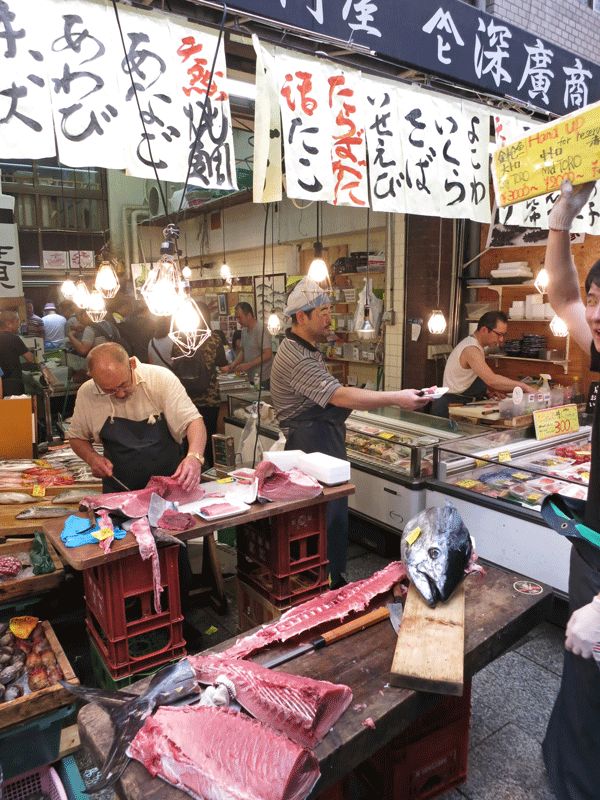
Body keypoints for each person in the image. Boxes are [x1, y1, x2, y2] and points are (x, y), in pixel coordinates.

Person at [270, 278, 430, 588]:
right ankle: (324, 586)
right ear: (301, 317)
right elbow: (340, 396)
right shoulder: (297, 356)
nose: (329, 317)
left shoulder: (305, 349)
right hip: (312, 449)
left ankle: (330, 579)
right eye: (323, 312)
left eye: (330, 310)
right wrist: (398, 397)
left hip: (321, 445)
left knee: (331, 517)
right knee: (324, 520)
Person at [538, 179, 600, 800]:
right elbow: (561, 294)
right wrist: (561, 219)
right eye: (599, 298)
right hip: (594, 549)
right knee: (580, 694)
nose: (597, 312)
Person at [67, 342, 206, 493]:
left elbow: (193, 421)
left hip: (170, 486)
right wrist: (91, 458)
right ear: (92, 376)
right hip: (120, 490)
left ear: (132, 363)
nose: (119, 394)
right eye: (109, 390)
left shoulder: (160, 379)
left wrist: (194, 457)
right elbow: (76, 437)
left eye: (123, 385)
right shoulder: (87, 393)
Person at [431, 310, 529, 417]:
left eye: (503, 335)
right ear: (484, 330)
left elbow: (466, 378)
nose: (501, 339)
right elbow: (492, 380)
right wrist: (524, 386)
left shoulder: (477, 346)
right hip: (450, 407)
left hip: (461, 404)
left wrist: (485, 392)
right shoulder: (471, 349)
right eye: (499, 335)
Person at [221, 303, 272, 387]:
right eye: (237, 318)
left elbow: (268, 354)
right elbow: (243, 351)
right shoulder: (244, 330)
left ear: (248, 315)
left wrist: (248, 365)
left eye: (239, 317)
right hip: (251, 376)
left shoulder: (260, 329)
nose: (238, 320)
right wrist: (233, 364)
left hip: (264, 378)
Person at [0, 310, 34, 395]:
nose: (19, 324)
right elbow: (30, 358)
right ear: (8, 324)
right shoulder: (14, 338)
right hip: (13, 383)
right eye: (17, 321)